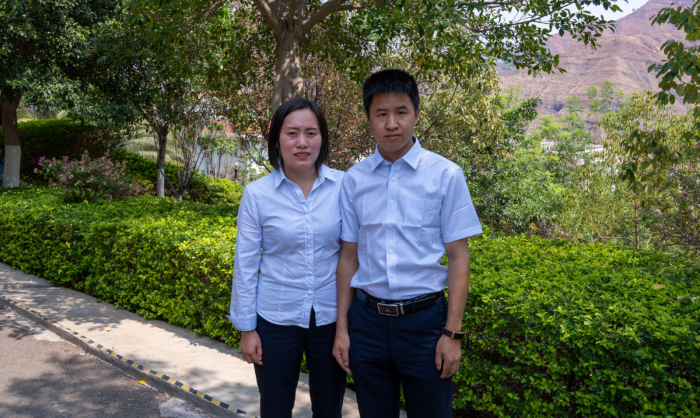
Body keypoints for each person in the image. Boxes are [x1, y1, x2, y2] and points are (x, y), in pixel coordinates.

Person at [332, 69, 482, 418]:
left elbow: (459, 258)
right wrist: (342, 328)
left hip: (424, 325)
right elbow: (349, 258)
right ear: (368, 118)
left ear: (416, 113)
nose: (392, 123)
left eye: (401, 112)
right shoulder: (354, 180)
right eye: (381, 114)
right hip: (367, 324)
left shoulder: (445, 175)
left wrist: (452, 334)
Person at [228, 98, 347, 418]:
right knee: (275, 407)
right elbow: (245, 264)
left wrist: (349, 324)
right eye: (292, 133)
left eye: (311, 133)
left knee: (330, 408)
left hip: (330, 318)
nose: (302, 142)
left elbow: (354, 255)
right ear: (277, 140)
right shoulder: (257, 195)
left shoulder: (344, 186)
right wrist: (247, 329)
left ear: (322, 138)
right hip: (275, 319)